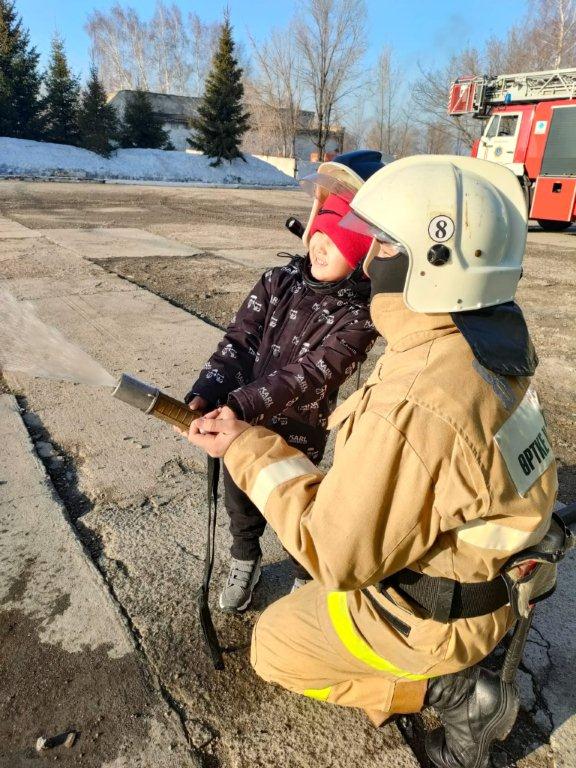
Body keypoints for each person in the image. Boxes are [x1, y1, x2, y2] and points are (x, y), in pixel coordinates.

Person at [183, 156, 558, 768]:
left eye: (383, 241)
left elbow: (333, 554)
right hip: (493, 593)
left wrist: (244, 446)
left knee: (273, 645)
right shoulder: (487, 347)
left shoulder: (417, 399)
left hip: (432, 618)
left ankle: (453, 691)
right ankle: (457, 671)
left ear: (427, 261)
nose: (369, 256)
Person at [185, 150, 383, 612]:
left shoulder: (359, 317)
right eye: (318, 234)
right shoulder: (276, 282)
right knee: (241, 499)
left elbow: (312, 373)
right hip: (241, 417)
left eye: (335, 242)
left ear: (360, 256)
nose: (318, 246)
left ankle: (302, 576)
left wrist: (240, 404)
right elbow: (239, 341)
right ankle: (244, 558)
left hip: (299, 431)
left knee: (297, 506)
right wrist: (208, 390)